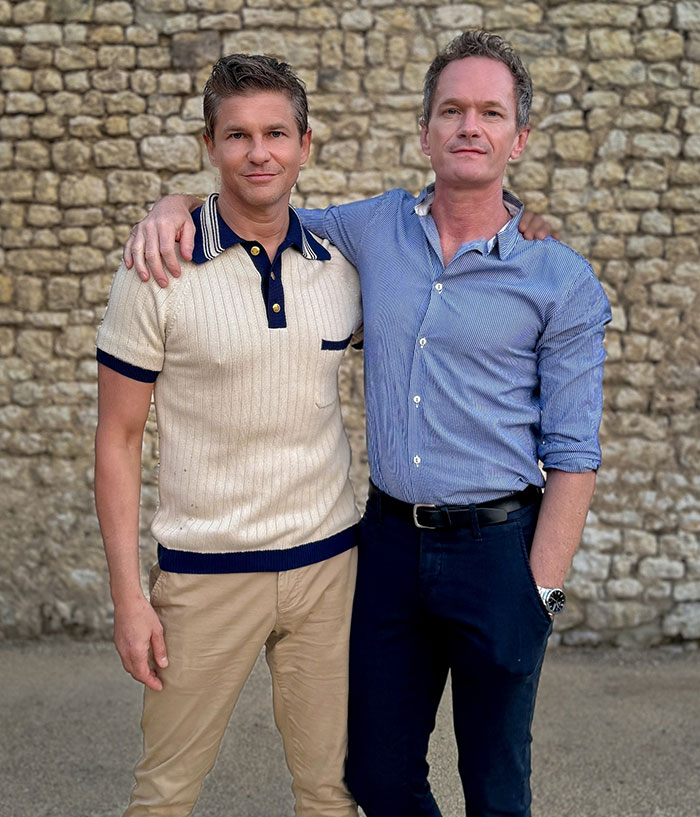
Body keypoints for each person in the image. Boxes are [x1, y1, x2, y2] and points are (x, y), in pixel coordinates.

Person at [124, 31, 611, 817]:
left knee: (497, 786)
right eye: (451, 109)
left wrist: (540, 592)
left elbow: (575, 453)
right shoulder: (369, 230)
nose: (469, 127)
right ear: (424, 131)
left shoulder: (560, 279)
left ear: (518, 138)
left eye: (491, 113)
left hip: (497, 552)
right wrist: (173, 204)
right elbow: (261, 206)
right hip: (385, 549)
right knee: (377, 779)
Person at [94, 54, 363, 817]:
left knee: (333, 791)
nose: (259, 152)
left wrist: (525, 214)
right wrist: (127, 598)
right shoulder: (158, 267)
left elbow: (444, 237)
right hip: (205, 575)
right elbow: (116, 439)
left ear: (305, 144)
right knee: (164, 795)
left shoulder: (342, 267)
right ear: (209, 144)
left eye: (276, 132)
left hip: (328, 572)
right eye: (237, 134)